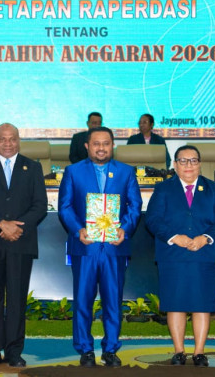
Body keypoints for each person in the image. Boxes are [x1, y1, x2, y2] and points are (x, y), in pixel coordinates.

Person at [59, 126, 142, 367]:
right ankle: (85, 349)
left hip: (114, 247)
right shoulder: (73, 171)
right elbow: (65, 207)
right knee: (83, 300)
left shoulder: (126, 172)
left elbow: (135, 206)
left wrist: (125, 228)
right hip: (85, 247)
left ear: (113, 145)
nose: (101, 148)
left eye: (106, 143)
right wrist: (78, 229)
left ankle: (111, 349)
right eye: (96, 143)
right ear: (87, 146)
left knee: (113, 301)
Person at [0, 123, 48, 368]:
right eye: (2, 139)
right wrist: (1, 224)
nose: (8, 143)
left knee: (16, 299)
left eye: (12, 138)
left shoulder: (32, 167)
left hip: (20, 242)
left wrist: (17, 228)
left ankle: (14, 352)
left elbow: (40, 205)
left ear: (18, 140)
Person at [145, 145, 215, 367]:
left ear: (200, 164)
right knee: (176, 303)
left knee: (201, 304)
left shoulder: (213, 189)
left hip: (204, 254)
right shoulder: (163, 189)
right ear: (175, 165)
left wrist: (206, 238)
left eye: (193, 160)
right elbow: (153, 219)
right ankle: (179, 352)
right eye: (183, 161)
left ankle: (199, 352)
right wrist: (174, 237)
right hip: (173, 254)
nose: (188, 165)